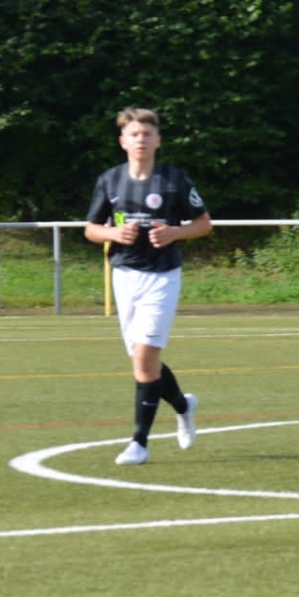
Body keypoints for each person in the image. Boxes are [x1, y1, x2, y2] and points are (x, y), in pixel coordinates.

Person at [84, 107, 213, 465]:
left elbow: (204, 224)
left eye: (147, 134)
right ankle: (183, 405)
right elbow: (91, 229)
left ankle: (139, 443)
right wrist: (113, 233)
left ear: (158, 140)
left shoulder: (174, 180)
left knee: (144, 359)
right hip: (125, 276)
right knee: (145, 363)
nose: (141, 139)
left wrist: (175, 232)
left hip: (162, 276)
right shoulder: (110, 181)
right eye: (134, 134)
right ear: (123, 141)